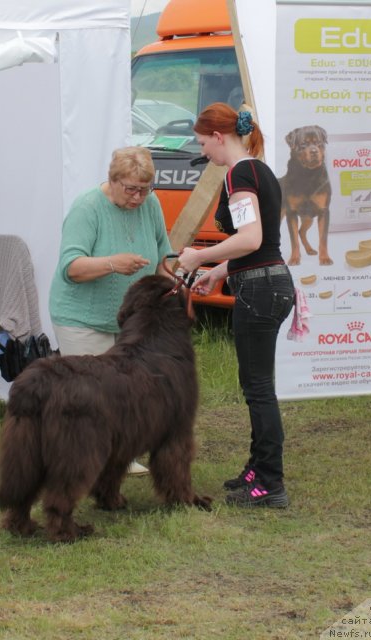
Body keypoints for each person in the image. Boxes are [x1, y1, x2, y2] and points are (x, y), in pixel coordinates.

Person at [178, 103, 295, 508]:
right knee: (256, 385)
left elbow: (249, 237)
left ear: (216, 136)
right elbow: (259, 245)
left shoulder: (239, 173)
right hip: (269, 283)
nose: (203, 152)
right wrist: (222, 271)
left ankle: (269, 484)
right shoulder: (259, 169)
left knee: (258, 389)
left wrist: (199, 258)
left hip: (261, 291)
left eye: (201, 143)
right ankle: (257, 468)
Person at [49, 146, 173, 476]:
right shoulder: (87, 208)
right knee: (88, 398)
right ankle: (79, 462)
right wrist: (112, 264)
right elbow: (71, 267)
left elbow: (164, 255)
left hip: (130, 322)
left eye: (144, 190)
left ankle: (120, 456)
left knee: (127, 393)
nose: (137, 198)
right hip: (83, 319)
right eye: (130, 189)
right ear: (113, 180)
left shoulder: (151, 205)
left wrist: (177, 284)